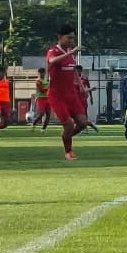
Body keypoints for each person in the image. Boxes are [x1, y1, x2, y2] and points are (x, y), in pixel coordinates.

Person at [46, 24, 91, 160]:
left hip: (71, 94)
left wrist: (82, 88)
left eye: (73, 38)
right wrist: (70, 52)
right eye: (69, 38)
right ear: (60, 37)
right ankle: (68, 151)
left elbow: (74, 72)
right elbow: (52, 61)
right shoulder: (54, 51)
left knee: (82, 123)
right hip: (57, 96)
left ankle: (66, 135)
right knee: (69, 125)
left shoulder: (70, 55)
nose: (71, 41)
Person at [75, 65, 99, 133]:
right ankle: (81, 127)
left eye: (78, 70)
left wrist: (91, 98)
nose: (76, 72)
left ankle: (85, 128)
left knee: (84, 113)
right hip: (75, 99)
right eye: (76, 71)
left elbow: (88, 88)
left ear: (80, 71)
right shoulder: (73, 79)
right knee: (76, 114)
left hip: (83, 99)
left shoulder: (85, 79)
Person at [32, 67, 51, 131]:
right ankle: (34, 123)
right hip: (41, 98)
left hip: (48, 98)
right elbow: (42, 90)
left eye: (43, 73)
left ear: (44, 73)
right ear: (38, 73)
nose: (41, 74)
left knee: (48, 114)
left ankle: (43, 129)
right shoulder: (38, 81)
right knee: (41, 114)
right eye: (40, 73)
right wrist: (49, 89)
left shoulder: (47, 80)